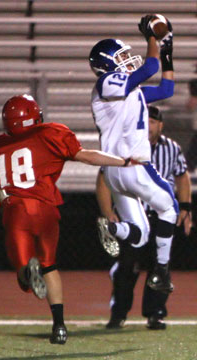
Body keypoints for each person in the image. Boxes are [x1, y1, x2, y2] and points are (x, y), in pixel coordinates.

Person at [0, 94, 138, 345]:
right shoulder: (50, 134)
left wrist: (3, 202)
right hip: (47, 209)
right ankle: (59, 326)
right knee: (50, 265)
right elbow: (87, 156)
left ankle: (27, 274)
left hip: (16, 211)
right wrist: (123, 161)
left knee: (24, 276)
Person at [89, 15, 178, 296]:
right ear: (106, 63)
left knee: (139, 236)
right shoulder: (107, 83)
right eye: (121, 56)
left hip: (115, 172)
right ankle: (162, 272)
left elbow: (167, 89)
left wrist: (168, 55)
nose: (128, 59)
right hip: (133, 166)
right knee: (169, 207)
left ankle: (112, 229)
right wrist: (151, 36)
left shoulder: (128, 90)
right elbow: (150, 66)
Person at [96, 105, 192, 330]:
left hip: (160, 216)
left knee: (160, 266)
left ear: (161, 125)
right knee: (127, 267)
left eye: (153, 122)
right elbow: (103, 179)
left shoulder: (172, 148)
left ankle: (156, 313)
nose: (148, 126)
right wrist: (107, 212)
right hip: (133, 214)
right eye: (145, 121)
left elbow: (182, 177)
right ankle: (118, 312)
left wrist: (186, 208)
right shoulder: (123, 146)